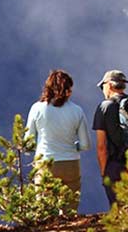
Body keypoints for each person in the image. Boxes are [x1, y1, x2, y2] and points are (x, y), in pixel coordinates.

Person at [26, 69, 90, 209]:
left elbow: (28, 142)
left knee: (44, 209)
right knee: (70, 209)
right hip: (71, 163)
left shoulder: (37, 109)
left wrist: (37, 149)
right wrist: (73, 146)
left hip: (45, 162)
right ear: (68, 91)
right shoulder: (77, 110)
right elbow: (85, 145)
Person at [92, 69, 128, 205]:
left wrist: (104, 173)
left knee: (121, 210)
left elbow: (101, 147)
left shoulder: (104, 107)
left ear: (109, 85)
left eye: (102, 86)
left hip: (117, 168)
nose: (102, 90)